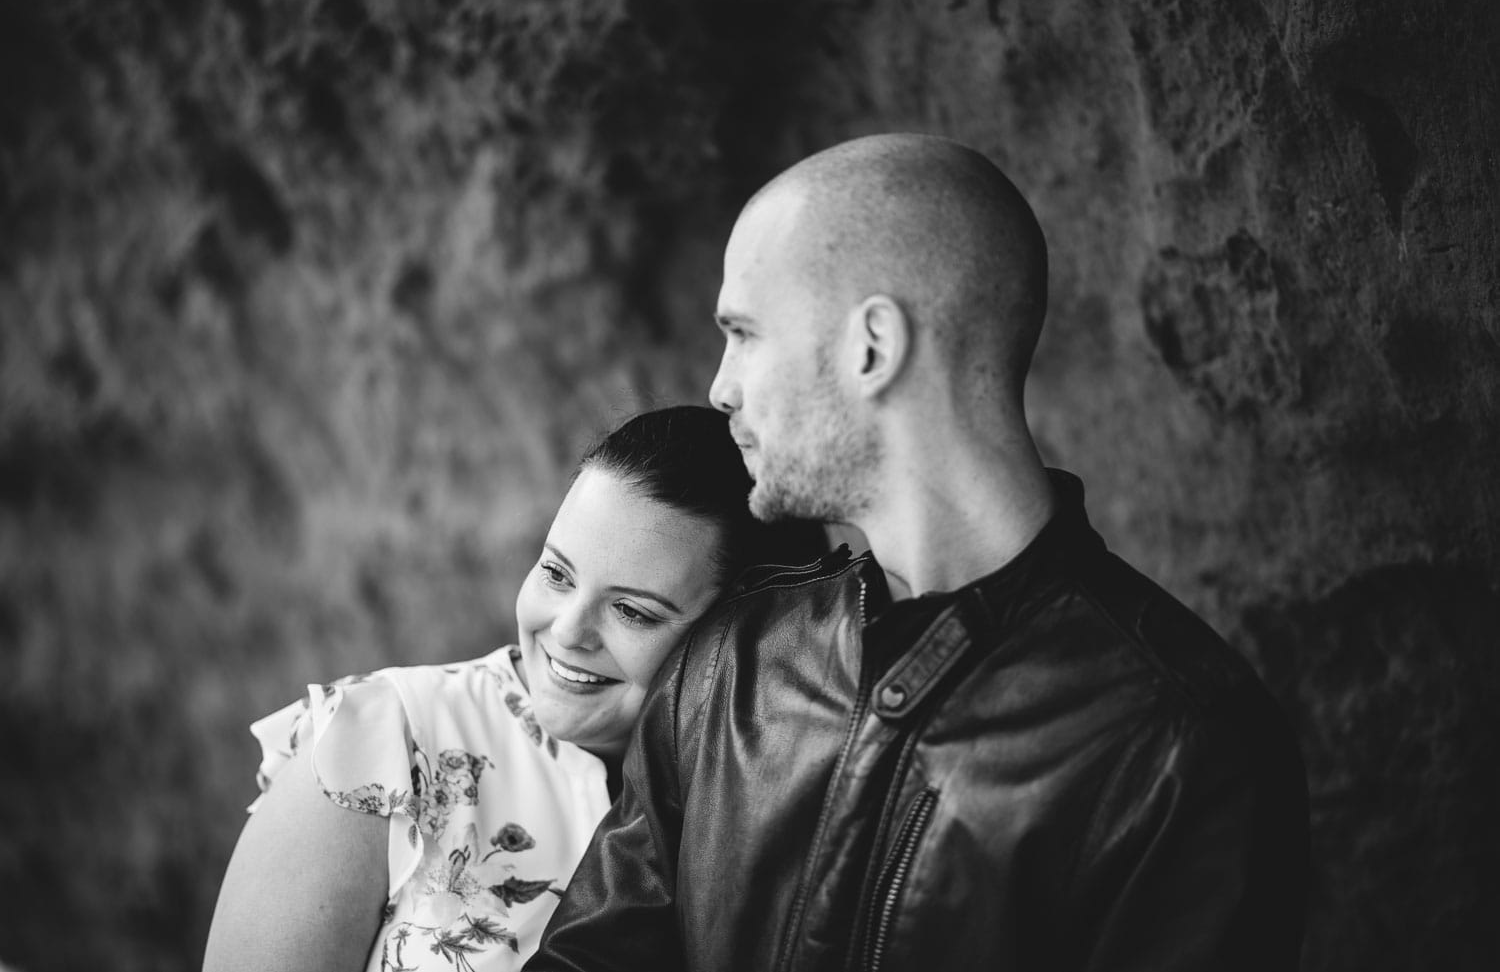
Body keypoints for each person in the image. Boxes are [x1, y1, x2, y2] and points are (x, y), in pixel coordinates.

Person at [526, 135, 1311, 971]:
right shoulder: (727, 663)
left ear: (873, 347)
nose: (722, 388)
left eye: (745, 333)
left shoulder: (1179, 746)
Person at [201, 406, 827, 972]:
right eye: (556, 573)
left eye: (633, 612)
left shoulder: (786, 812)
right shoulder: (378, 749)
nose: (567, 629)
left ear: (738, 637)